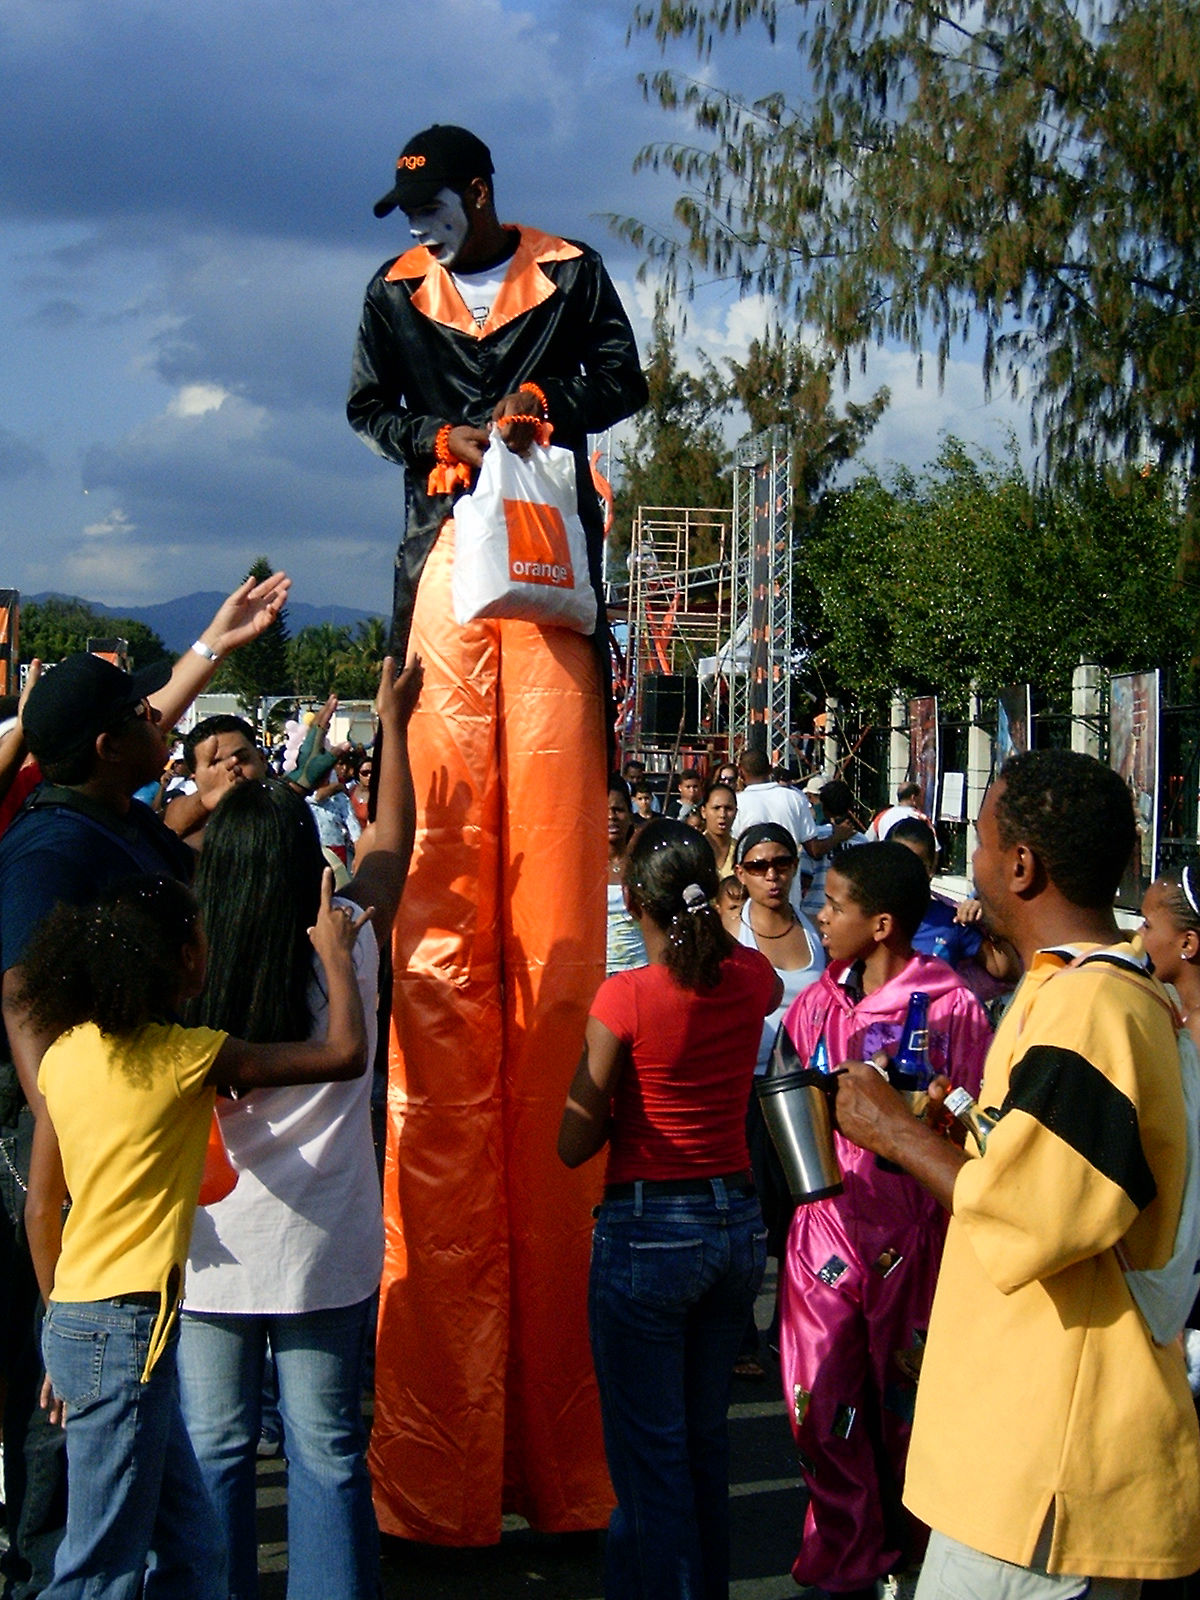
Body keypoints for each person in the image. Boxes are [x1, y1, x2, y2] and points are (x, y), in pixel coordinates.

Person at [347, 123, 647, 1544]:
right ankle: (441, 1468)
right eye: (410, 211)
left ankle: (563, 1455)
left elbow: (623, 379)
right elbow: (370, 411)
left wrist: (543, 411)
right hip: (440, 581)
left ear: (481, 192)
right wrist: (441, 437)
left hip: (547, 594)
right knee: (444, 960)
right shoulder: (395, 290)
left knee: (548, 948)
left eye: (437, 205)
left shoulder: (572, 270)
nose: (425, 227)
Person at [833, 751, 1200, 1595]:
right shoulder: (1072, 992)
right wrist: (951, 1124)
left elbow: (1032, 1214)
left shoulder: (1095, 1006)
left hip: (1046, 1475)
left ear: (1023, 865)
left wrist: (893, 1133)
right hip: (1022, 1460)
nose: (980, 864)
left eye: (986, 842)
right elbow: (1042, 1167)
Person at [0, 573, 289, 1600]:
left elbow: (139, 728)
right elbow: (23, 1000)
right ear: (103, 747)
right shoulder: (50, 842)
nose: (154, 718)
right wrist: (74, 1123)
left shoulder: (118, 811)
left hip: (122, 1137)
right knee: (77, 1427)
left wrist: (216, 641)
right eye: (136, 715)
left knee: (163, 1482)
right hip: (74, 1150)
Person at [20, 869, 370, 1600]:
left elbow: (40, 1209)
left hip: (82, 1321)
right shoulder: (188, 1058)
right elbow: (343, 1055)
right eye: (200, 937)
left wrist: (60, 1331)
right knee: (100, 1572)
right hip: (130, 1333)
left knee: (195, 1546)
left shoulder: (66, 1054)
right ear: (179, 960)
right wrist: (337, 956)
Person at [176, 657, 420, 1600]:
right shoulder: (346, 948)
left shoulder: (183, 977)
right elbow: (392, 841)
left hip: (209, 1255)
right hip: (329, 1249)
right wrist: (395, 726)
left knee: (216, 1450)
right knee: (328, 1452)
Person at [558, 820, 781, 1600]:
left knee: (650, 1459)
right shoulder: (752, 979)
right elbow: (769, 981)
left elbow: (572, 1142)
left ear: (631, 900)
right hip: (733, 1221)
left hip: (649, 1228)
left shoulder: (625, 999)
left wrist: (619, 1102)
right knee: (702, 1442)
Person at [778, 841, 992, 1599]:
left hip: (918, 1243)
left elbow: (980, 1134)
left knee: (908, 1414)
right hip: (824, 1240)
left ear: (881, 924)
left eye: (833, 904)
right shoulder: (813, 1005)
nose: (819, 915)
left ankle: (915, 1559)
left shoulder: (955, 1008)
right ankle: (845, 1557)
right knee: (820, 1404)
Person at [724, 824, 826, 1376]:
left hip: (800, 1093)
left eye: (782, 863)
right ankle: (740, 1338)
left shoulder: (814, 932)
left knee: (798, 1220)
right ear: (740, 874)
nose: (772, 874)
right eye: (759, 865)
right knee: (746, 1219)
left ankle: (787, 1329)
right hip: (741, 1089)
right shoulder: (728, 932)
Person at [165, 714, 269, 851]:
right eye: (215, 764)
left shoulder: (294, 819)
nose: (233, 770)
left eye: (242, 759)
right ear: (194, 777)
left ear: (261, 759)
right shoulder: (196, 846)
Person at [606, 779, 646, 977]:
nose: (611, 817)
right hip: (596, 972)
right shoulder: (583, 864)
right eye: (604, 809)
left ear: (630, 815)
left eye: (618, 810)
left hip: (638, 969)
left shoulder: (642, 860)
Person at [700, 781, 738, 878]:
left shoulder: (741, 851)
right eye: (716, 808)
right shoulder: (693, 850)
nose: (722, 815)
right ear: (704, 812)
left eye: (728, 808)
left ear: (736, 812)